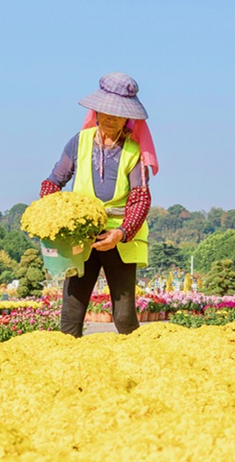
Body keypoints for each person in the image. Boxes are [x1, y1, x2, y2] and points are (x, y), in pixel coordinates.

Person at [40, 72, 159, 337]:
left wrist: (121, 233)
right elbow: (53, 182)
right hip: (81, 236)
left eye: (117, 114)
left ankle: (135, 364)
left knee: (124, 314)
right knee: (72, 309)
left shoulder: (133, 151)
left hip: (120, 237)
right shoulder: (79, 143)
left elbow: (140, 198)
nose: (110, 118)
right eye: (105, 111)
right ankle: (67, 364)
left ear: (128, 117)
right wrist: (51, 212)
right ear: (96, 111)